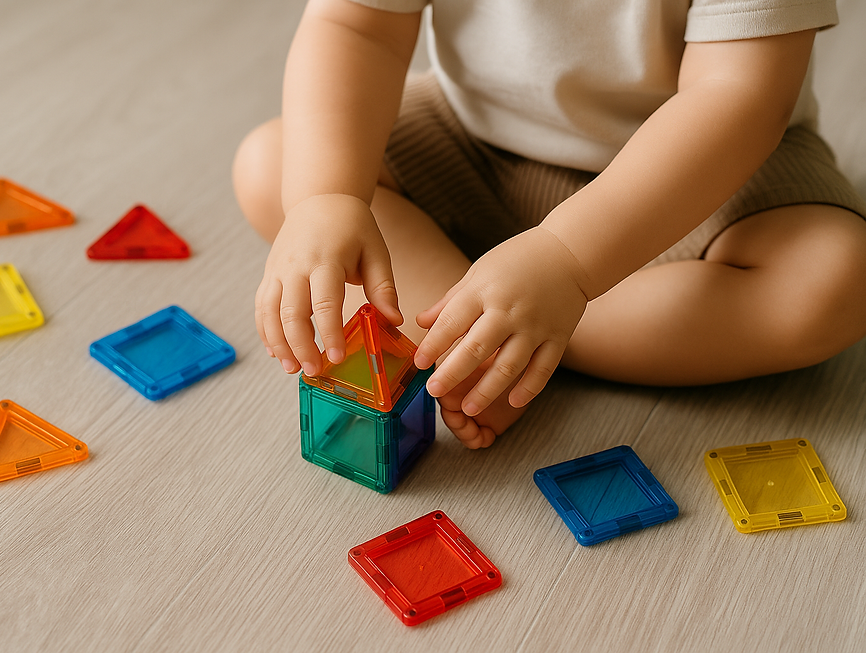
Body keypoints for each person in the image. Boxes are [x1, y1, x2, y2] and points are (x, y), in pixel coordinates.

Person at [233, 0, 866, 449]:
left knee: (831, 284)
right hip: (477, 144)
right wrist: (326, 196)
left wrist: (567, 259)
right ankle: (485, 330)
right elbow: (357, 23)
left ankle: (518, 329)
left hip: (691, 181)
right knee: (274, 164)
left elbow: (739, 97)